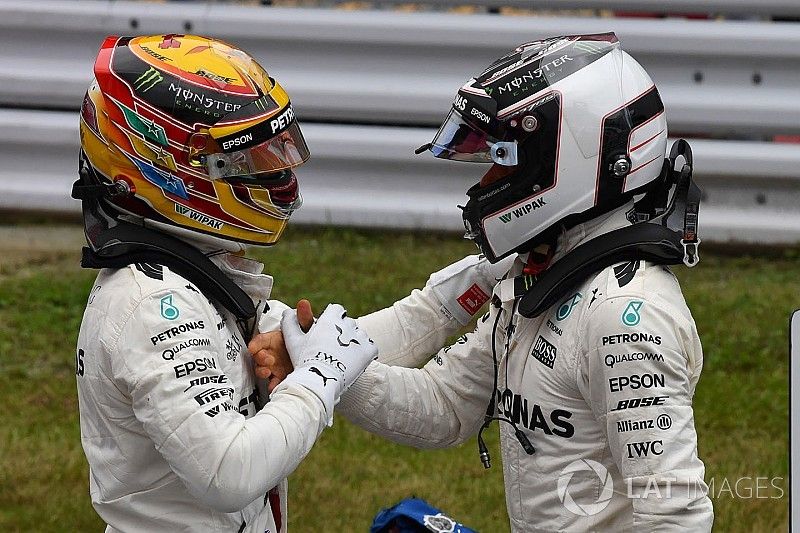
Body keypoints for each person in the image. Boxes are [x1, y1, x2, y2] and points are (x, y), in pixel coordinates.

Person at [257, 33, 713, 531]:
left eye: (505, 161)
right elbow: (447, 406)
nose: (485, 184)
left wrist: (323, 368)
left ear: (573, 161)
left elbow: (675, 513)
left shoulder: (625, 318)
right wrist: (325, 368)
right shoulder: (542, 272)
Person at [73, 34, 503, 532]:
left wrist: (466, 288)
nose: (276, 173)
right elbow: (228, 472)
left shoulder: (195, 273)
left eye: (274, 150)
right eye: (247, 160)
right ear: (167, 168)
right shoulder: (154, 302)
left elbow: (345, 347)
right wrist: (316, 383)